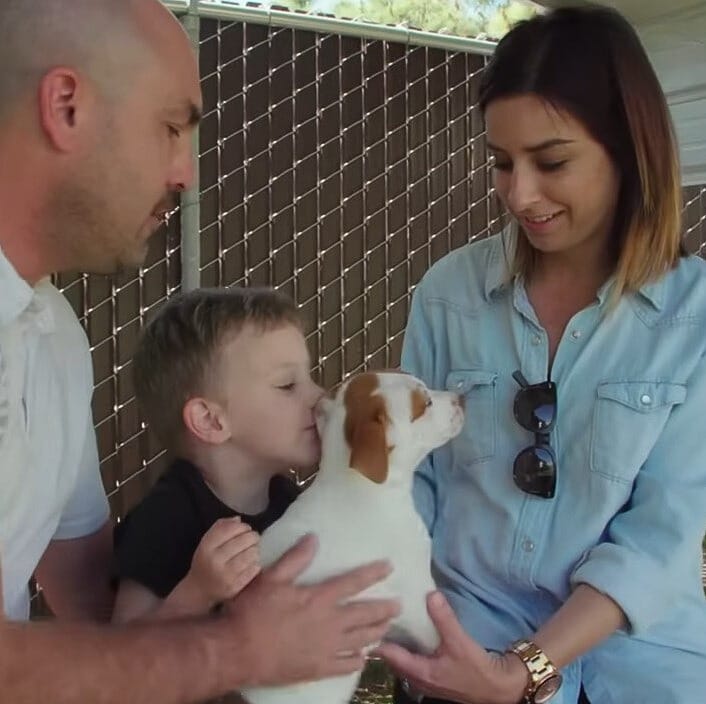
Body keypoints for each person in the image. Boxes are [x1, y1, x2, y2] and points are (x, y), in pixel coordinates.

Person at [0, 1, 398, 701]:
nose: (186, 172)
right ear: (66, 106)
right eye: (171, 126)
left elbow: (95, 609)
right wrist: (237, 646)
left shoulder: (52, 333)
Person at [376, 6, 706, 704]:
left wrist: (522, 671)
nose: (519, 194)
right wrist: (424, 635)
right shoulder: (450, 294)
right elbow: (415, 485)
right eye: (501, 162)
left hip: (642, 666)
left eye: (551, 161)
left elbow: (661, 535)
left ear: (628, 147)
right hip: (465, 643)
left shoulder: (695, 318)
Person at [112, 286, 322, 624]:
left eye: (309, 378)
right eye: (287, 385)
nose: (319, 396)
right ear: (210, 420)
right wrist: (197, 593)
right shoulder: (166, 518)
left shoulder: (292, 506)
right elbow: (121, 652)